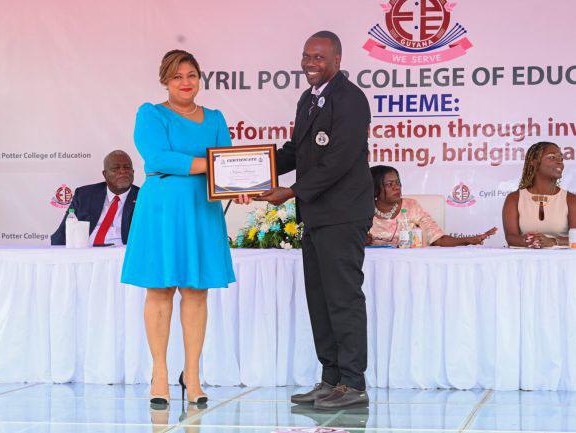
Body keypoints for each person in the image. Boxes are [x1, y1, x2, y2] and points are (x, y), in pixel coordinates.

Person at [253, 31, 372, 409]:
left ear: (337, 59)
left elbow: (339, 158)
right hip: (317, 216)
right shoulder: (308, 99)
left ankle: (353, 385)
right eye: (306, 56)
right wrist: (252, 169)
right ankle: (331, 379)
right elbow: (296, 152)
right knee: (319, 301)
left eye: (318, 57)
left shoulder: (351, 99)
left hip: (342, 215)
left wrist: (290, 191)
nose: (309, 63)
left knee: (343, 299)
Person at [121, 50, 235, 406]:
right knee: (159, 291)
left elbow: (229, 165)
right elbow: (157, 158)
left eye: (191, 75)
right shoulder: (151, 114)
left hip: (202, 209)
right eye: (177, 77)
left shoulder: (215, 118)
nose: (186, 83)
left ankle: (193, 375)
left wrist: (238, 185)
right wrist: (210, 166)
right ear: (165, 81)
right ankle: (159, 374)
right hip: (162, 211)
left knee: (197, 291)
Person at [368, 165, 497, 247]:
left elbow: (438, 239)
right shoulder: (362, 209)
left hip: (410, 266)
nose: (397, 187)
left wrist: (469, 240)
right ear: (375, 188)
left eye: (398, 182)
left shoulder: (411, 206)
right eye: (390, 184)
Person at [51, 150, 138, 246]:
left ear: (133, 172)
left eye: (127, 167)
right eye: (116, 168)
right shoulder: (84, 195)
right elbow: (63, 233)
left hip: (123, 254)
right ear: (105, 174)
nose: (122, 171)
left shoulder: (143, 197)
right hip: (85, 253)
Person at [503, 141, 575, 248]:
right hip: (524, 263)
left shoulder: (571, 199)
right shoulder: (514, 199)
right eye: (552, 157)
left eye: (560, 158)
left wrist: (553, 241)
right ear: (534, 162)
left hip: (563, 264)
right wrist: (531, 241)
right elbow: (511, 237)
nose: (559, 161)